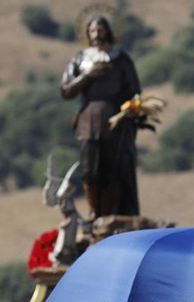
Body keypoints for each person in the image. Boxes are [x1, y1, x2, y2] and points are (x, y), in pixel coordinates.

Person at [59, 12, 142, 218]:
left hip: (115, 120)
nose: (97, 33)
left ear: (108, 31)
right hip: (88, 121)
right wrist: (87, 76)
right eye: (92, 30)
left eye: (100, 29)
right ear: (87, 33)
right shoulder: (80, 59)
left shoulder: (120, 59)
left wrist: (131, 109)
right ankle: (94, 212)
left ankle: (112, 214)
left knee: (113, 170)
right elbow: (66, 90)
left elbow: (134, 90)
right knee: (90, 171)